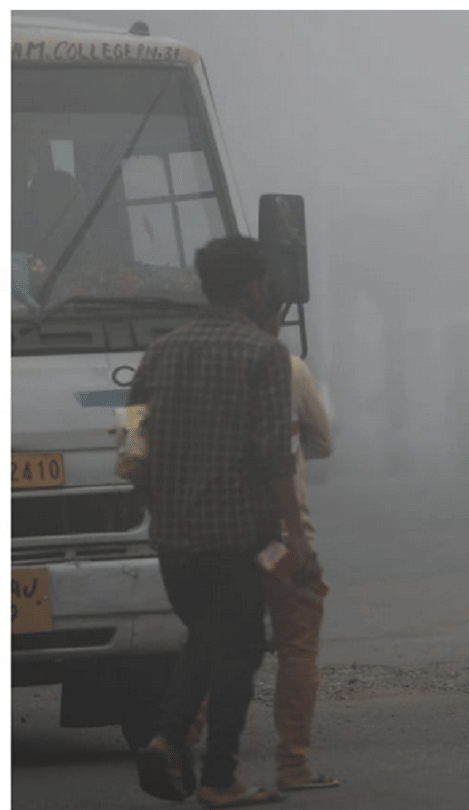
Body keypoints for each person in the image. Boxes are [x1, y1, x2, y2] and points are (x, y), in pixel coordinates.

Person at [129, 236, 312, 808]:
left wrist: (158, 501)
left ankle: (167, 737)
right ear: (255, 287)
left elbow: (131, 443)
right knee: (238, 652)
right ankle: (217, 778)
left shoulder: (160, 350)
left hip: (173, 538)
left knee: (207, 638)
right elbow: (273, 458)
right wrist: (298, 536)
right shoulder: (263, 355)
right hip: (239, 537)